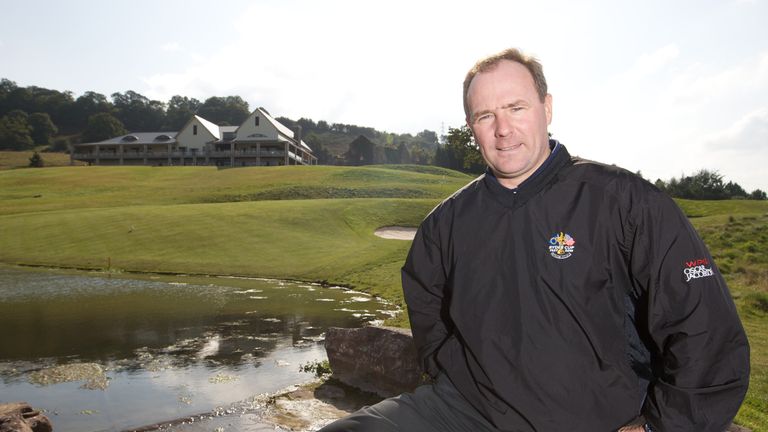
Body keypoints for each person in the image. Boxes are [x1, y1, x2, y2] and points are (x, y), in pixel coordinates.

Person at [319, 48, 750, 432]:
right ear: (472, 126)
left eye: (516, 107)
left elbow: (706, 333)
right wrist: (457, 373)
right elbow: (428, 308)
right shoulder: (445, 224)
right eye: (485, 116)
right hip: (466, 411)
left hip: (594, 420)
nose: (502, 129)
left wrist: (658, 426)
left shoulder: (625, 202)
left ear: (546, 108)